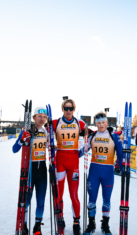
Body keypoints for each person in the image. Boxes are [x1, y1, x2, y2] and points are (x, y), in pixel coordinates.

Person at [83, 112, 123, 235]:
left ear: (107, 123)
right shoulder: (92, 136)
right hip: (94, 171)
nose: (101, 125)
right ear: (96, 124)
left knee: (106, 200)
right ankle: (91, 224)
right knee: (92, 199)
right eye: (98, 123)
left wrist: (120, 165)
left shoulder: (113, 136)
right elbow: (81, 151)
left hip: (108, 172)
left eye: (103, 122)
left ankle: (105, 225)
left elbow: (121, 154)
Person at [52, 98, 86, 235]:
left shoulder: (80, 123)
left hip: (73, 163)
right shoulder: (55, 123)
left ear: (74, 109)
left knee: (73, 195)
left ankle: (76, 222)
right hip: (59, 160)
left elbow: (90, 135)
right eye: (66, 108)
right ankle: (60, 218)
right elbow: (40, 129)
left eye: (70, 108)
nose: (68, 111)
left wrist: (83, 150)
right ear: (62, 109)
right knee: (59, 194)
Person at [13, 107, 48, 235]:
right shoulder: (27, 130)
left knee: (41, 201)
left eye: (44, 117)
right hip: (29, 170)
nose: (42, 119)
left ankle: (37, 226)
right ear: (33, 118)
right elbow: (14, 149)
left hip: (42, 170)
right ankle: (25, 224)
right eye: (39, 116)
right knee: (27, 200)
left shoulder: (46, 131)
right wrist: (22, 139)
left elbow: (52, 147)